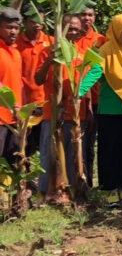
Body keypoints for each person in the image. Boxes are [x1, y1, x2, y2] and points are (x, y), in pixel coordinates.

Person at [78, 15, 122, 206]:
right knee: (109, 151)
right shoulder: (105, 51)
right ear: (116, 31)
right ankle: (111, 189)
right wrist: (80, 92)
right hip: (110, 110)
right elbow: (94, 73)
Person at [34, 15, 88, 197]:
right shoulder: (49, 51)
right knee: (48, 154)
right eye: (68, 28)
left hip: (75, 115)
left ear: (81, 31)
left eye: (75, 29)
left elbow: (85, 85)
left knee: (73, 153)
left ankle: (72, 191)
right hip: (53, 112)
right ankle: (45, 191)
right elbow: (38, 79)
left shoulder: (82, 54)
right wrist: (49, 60)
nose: (71, 32)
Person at [76, 7, 105, 187]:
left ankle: (90, 182)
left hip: (96, 99)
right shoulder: (71, 38)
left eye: (90, 15)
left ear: (94, 17)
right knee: (79, 140)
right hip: (75, 101)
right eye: (83, 14)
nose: (86, 18)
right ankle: (79, 180)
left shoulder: (100, 40)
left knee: (92, 143)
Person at [18, 5, 52, 156]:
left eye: (40, 19)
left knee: (44, 144)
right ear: (24, 22)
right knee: (25, 146)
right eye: (33, 20)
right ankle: (26, 178)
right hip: (25, 104)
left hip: (46, 103)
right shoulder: (16, 44)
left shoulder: (52, 42)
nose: (37, 23)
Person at [0, 7, 23, 162]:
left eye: (16, 28)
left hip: (14, 118)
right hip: (1, 118)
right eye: (9, 28)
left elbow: (18, 83)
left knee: (13, 161)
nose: (13, 32)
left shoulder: (15, 52)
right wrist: (13, 104)